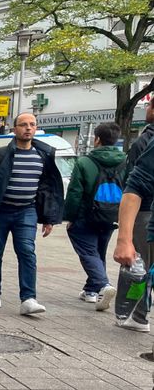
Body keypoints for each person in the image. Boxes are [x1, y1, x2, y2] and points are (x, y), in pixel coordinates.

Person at [0, 112, 64, 315]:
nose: (28, 128)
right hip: (0, 211)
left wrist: (49, 218)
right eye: (23, 124)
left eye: (32, 124)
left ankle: (28, 298)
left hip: (27, 210)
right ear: (14, 129)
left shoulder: (42, 156)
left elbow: (48, 189)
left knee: (26, 251)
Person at [64, 123, 125, 310]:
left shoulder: (84, 162)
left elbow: (75, 192)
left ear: (96, 139)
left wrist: (70, 217)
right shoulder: (125, 161)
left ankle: (103, 285)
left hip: (86, 216)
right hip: (111, 215)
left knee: (89, 252)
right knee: (98, 252)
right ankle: (91, 291)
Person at [113, 104, 154, 331]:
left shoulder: (142, 141)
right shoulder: (145, 142)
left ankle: (138, 315)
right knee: (141, 268)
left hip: (145, 214)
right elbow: (135, 184)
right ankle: (137, 315)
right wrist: (124, 239)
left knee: (142, 269)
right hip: (145, 214)